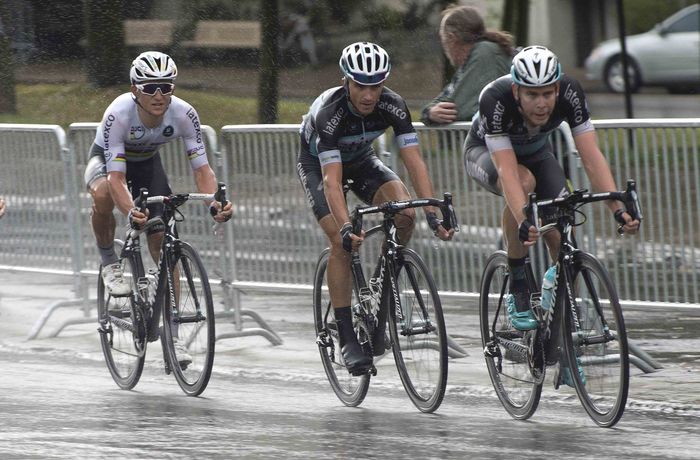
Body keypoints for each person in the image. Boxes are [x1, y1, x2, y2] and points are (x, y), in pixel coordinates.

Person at [463, 45, 640, 383]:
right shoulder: (496, 99)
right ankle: (517, 279)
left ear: (557, 88)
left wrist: (618, 208)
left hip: (537, 152)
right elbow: (509, 173)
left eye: (547, 93)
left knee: (562, 232)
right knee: (524, 185)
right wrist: (525, 220)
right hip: (486, 154)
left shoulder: (570, 93)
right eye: (532, 95)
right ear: (517, 90)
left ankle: (564, 349)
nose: (542, 103)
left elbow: (590, 156)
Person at [296, 42, 454, 374]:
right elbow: (330, 182)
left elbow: (415, 163)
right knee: (341, 242)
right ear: (346, 82)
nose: (369, 95)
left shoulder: (394, 106)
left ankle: (382, 286)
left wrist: (431, 212)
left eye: (376, 86)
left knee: (405, 214)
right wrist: (345, 228)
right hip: (320, 167)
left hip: (363, 161)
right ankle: (347, 335)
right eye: (361, 85)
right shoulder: (330, 113)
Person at [84, 51, 232, 363]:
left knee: (161, 238)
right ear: (135, 89)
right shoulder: (119, 114)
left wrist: (214, 204)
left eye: (166, 86)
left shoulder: (183, 114)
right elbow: (115, 177)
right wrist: (129, 211)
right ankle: (110, 261)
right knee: (101, 196)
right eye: (150, 87)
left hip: (148, 165)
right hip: (109, 164)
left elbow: (202, 170)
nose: (159, 95)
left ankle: (173, 336)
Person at [421, 4, 513, 125]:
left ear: (451, 38)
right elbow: (446, 98)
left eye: (442, 40)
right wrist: (429, 112)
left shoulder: (484, 52)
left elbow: (460, 109)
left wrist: (431, 114)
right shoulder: (471, 61)